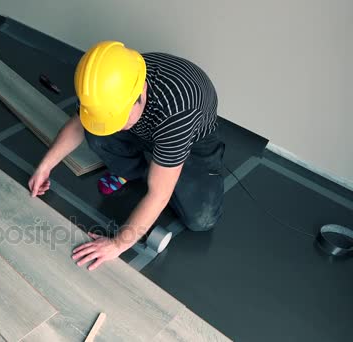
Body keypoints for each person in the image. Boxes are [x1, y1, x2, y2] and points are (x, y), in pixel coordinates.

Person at [28, 41, 225, 271]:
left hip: (195, 140)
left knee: (200, 220)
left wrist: (117, 244)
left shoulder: (177, 111)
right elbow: (79, 125)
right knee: (97, 132)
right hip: (147, 127)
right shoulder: (100, 85)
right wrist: (45, 165)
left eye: (118, 118)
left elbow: (160, 195)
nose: (114, 126)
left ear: (140, 93)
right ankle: (142, 170)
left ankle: (167, 167)